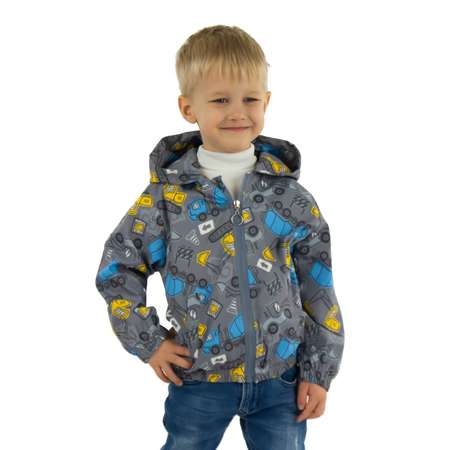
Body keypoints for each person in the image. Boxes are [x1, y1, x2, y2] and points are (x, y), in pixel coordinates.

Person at [95, 24, 345, 450]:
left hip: (281, 379)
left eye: (250, 99)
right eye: (220, 100)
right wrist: (149, 341)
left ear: (266, 102)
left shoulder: (291, 198)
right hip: (199, 378)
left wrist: (318, 371)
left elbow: (318, 288)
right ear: (188, 108)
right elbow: (118, 269)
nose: (237, 112)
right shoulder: (166, 199)